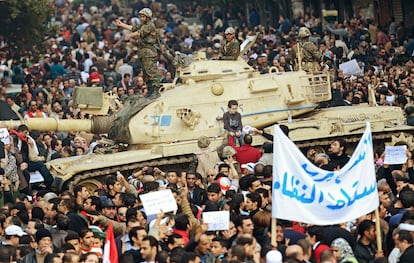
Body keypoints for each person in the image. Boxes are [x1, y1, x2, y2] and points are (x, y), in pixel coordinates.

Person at [115, 8, 161, 99]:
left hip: (149, 52)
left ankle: (155, 90)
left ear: (148, 17)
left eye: (143, 16)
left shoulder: (150, 25)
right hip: (143, 52)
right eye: (141, 16)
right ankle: (150, 90)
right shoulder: (143, 25)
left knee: (151, 71)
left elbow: (139, 32)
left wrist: (129, 35)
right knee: (145, 73)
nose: (141, 18)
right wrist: (122, 25)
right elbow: (133, 28)